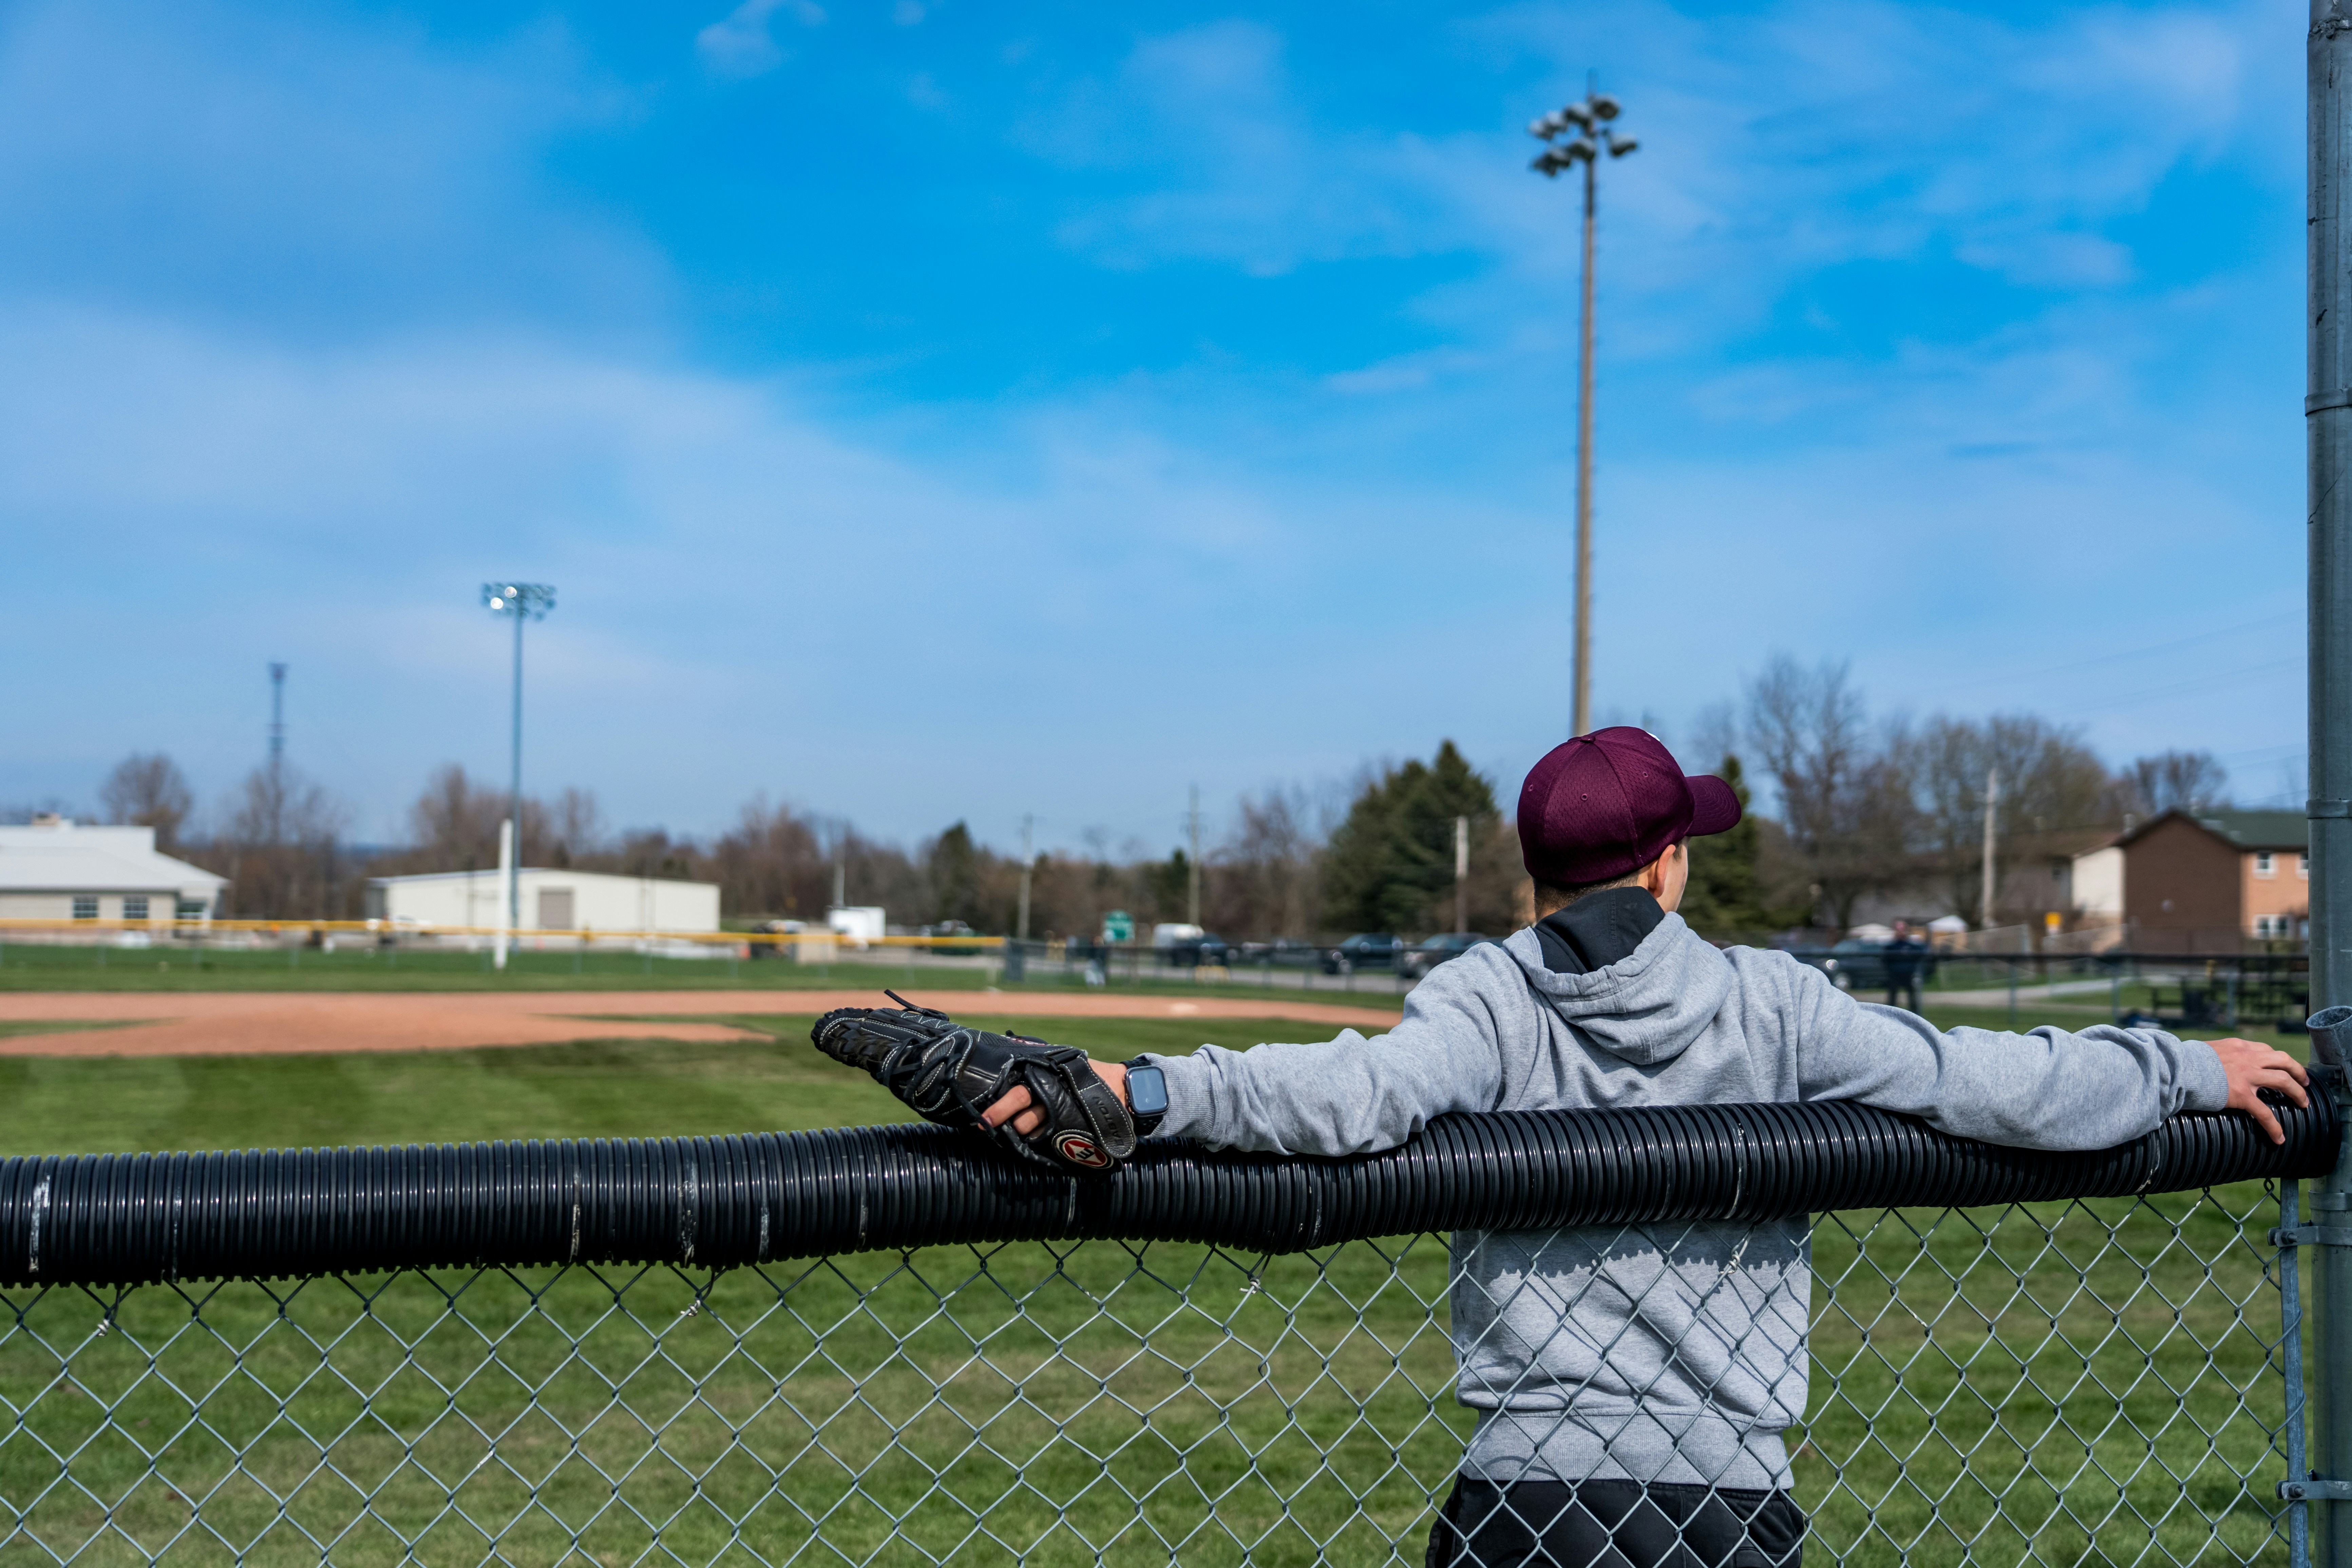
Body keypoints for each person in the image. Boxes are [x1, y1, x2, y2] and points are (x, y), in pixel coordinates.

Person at [979, 727, 2307, 1568]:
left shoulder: (1486, 992)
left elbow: (1348, 1098)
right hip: (1724, 1499)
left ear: (1537, 878)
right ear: (1666, 864)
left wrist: (1143, 1088)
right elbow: (1994, 1085)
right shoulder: (1770, 1001)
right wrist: (2183, 1068)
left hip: (1522, 1500)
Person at [1882, 918, 1926, 1011]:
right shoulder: (1891, 947)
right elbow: (1885, 959)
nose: (1901, 932)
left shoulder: (1912, 946)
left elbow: (1920, 954)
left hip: (1909, 975)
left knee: (1912, 997)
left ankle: (1915, 1016)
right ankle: (1890, 1014)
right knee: (1893, 997)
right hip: (1895, 975)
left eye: (1903, 930)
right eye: (1898, 930)